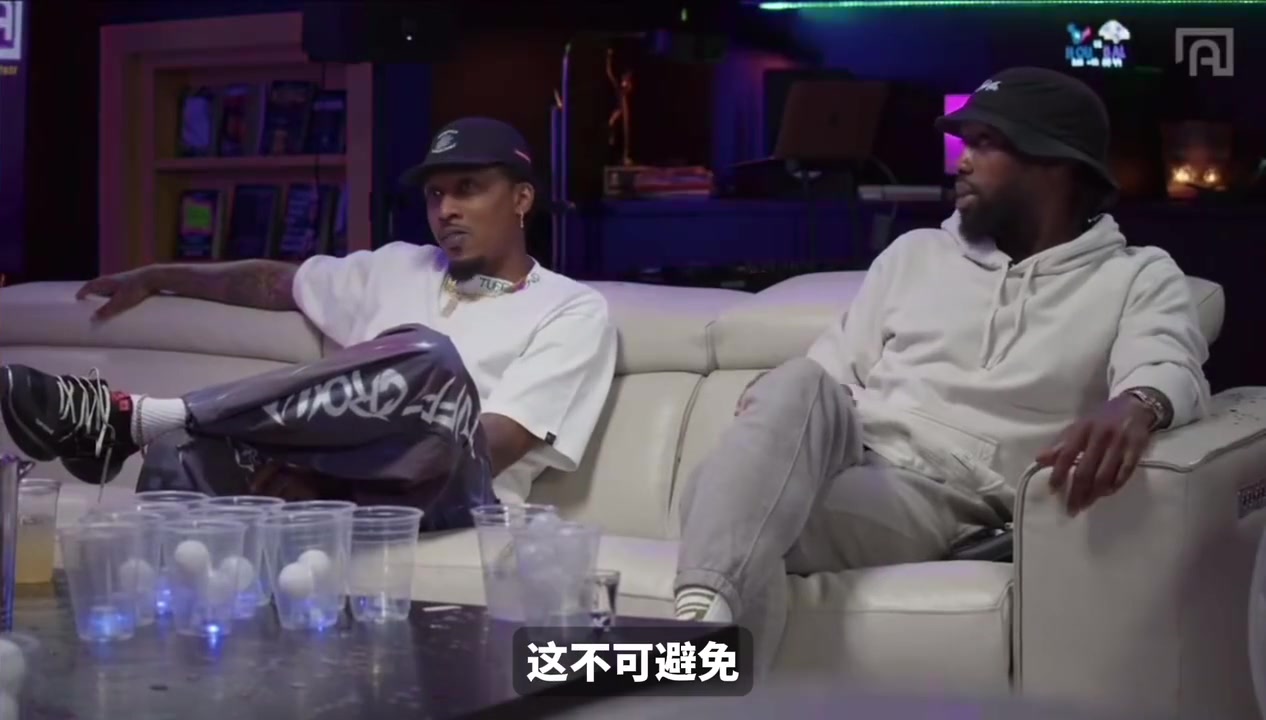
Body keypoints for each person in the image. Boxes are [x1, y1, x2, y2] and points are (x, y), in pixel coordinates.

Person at [672, 67, 1211, 636]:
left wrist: (1139, 403)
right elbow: (829, 375)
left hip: (945, 495)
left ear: (1055, 163)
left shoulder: (1136, 276)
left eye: (985, 143)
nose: (961, 162)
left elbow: (1167, 360)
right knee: (795, 383)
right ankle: (703, 621)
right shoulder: (915, 254)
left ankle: (700, 618)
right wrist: (776, 407)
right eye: (964, 142)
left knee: (728, 509)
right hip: (850, 447)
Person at [0, 117, 617, 528]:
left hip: (458, 498)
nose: (447, 209)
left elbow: (490, 444)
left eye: (468, 188)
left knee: (429, 355)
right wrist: (162, 275)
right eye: (435, 194)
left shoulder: (571, 308)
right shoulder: (396, 267)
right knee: (183, 453)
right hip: (333, 480)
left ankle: (139, 416)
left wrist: (328, 479)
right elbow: (275, 283)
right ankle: (168, 635)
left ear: (521, 198)